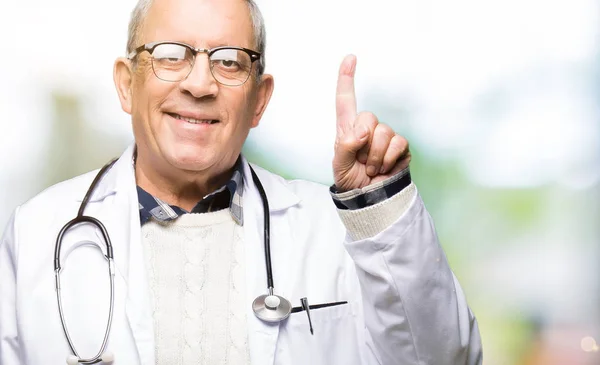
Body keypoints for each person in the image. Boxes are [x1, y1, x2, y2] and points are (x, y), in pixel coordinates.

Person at [0, 0, 482, 364]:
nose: (200, 84)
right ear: (127, 84)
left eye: (230, 61)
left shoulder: (333, 227)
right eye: (171, 56)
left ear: (259, 99)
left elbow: (444, 356)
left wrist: (380, 206)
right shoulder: (38, 231)